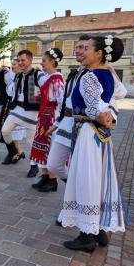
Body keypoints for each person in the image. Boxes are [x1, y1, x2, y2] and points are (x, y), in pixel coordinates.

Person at [58, 35, 127, 252]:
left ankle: (87, 236)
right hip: (101, 137)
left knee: (86, 179)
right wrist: (109, 118)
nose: (82, 52)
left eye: (87, 48)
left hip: (89, 134)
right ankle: (98, 230)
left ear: (99, 53)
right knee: (98, 179)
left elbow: (96, 107)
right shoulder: (107, 73)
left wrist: (102, 115)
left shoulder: (90, 76)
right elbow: (119, 95)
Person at [45, 35, 91, 188]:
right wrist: (57, 122)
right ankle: (75, 185)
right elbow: (65, 100)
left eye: (85, 48)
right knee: (53, 164)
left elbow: (119, 91)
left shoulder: (95, 73)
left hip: (83, 125)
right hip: (65, 122)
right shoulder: (74, 73)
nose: (79, 51)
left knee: (81, 166)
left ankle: (79, 192)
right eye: (78, 47)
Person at [0, 50, 46, 177]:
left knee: (31, 141)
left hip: (32, 112)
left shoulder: (38, 74)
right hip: (17, 110)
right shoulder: (17, 76)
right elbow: (11, 93)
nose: (20, 63)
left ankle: (33, 166)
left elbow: (48, 86)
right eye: (19, 60)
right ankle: (14, 152)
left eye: (23, 60)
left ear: (30, 60)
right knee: (5, 130)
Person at [29, 48, 65, 192]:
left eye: (44, 61)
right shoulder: (49, 77)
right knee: (41, 147)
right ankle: (44, 177)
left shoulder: (57, 80)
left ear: (52, 61)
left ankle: (52, 180)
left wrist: (56, 124)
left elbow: (61, 103)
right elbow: (40, 80)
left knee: (49, 149)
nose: (42, 63)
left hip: (51, 118)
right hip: (44, 116)